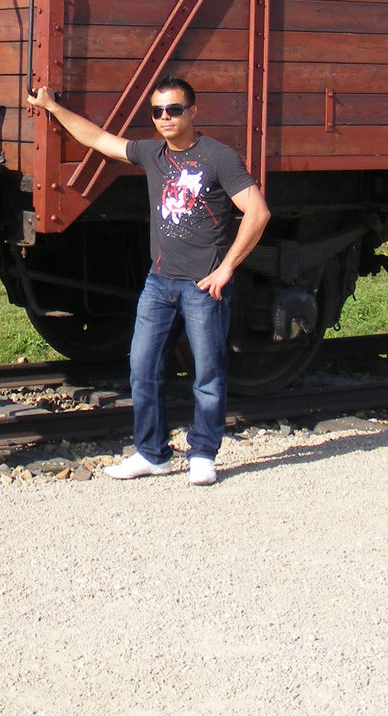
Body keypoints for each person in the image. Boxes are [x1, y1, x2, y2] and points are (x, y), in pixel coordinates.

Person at [26, 76, 269, 485]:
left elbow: (258, 213)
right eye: (157, 111)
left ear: (193, 111)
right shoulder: (152, 153)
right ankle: (152, 453)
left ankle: (203, 455)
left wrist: (226, 268)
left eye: (174, 110)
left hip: (202, 286)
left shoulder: (218, 157)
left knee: (207, 373)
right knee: (141, 366)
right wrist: (52, 108)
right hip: (159, 283)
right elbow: (99, 140)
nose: (164, 118)